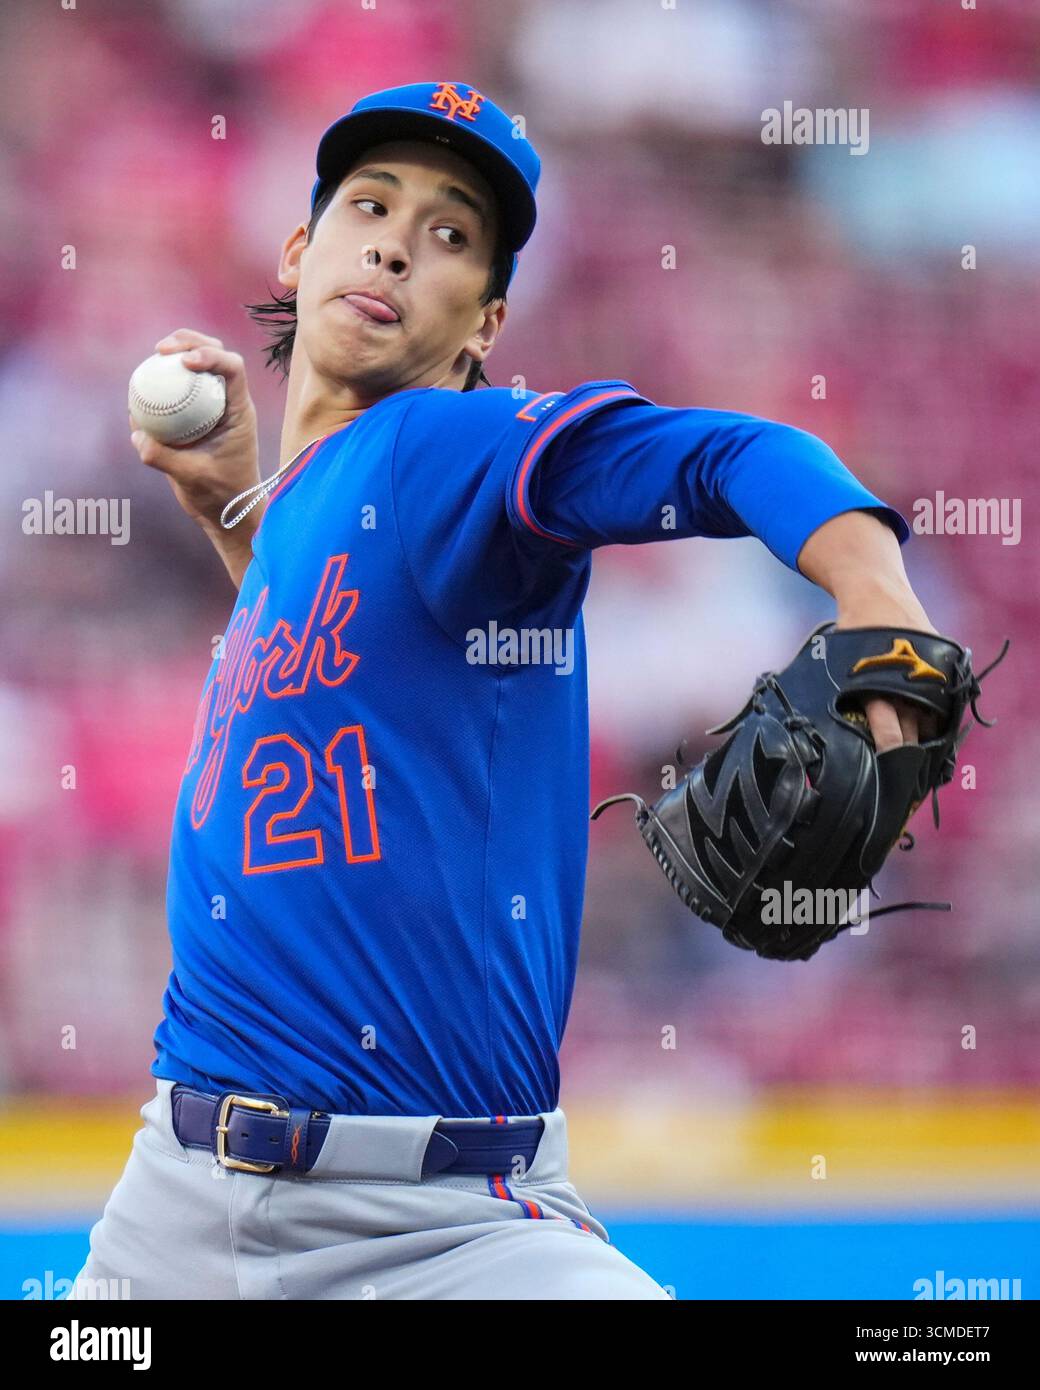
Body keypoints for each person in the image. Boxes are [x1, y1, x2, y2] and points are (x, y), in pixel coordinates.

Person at [71, 81, 934, 1301]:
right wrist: (232, 510)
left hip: (442, 1233)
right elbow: (351, 671)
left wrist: (872, 589)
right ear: (299, 250)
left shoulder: (449, 448)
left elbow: (724, 451)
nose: (393, 243)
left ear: (483, 324)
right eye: (369, 206)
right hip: (170, 1205)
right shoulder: (310, 508)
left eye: (450, 235)